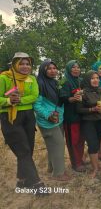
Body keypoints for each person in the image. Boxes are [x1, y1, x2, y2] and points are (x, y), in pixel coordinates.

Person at [0, 52, 47, 194]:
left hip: (28, 117)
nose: (25, 66)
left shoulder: (32, 78)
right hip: (10, 117)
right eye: (21, 63)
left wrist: (20, 100)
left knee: (27, 151)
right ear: (15, 64)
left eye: (28, 64)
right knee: (23, 151)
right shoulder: (4, 78)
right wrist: (8, 101)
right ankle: (36, 184)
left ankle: (21, 181)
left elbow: (34, 96)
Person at [34, 60, 70, 181]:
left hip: (58, 118)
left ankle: (51, 167)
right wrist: (47, 115)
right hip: (47, 121)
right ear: (43, 70)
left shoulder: (55, 82)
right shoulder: (39, 83)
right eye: (49, 68)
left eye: (54, 68)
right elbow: (37, 105)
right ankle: (58, 173)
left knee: (52, 145)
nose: (53, 70)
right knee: (59, 144)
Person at [76, 70, 101, 178]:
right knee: (93, 144)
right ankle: (95, 168)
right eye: (92, 78)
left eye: (97, 78)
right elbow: (79, 109)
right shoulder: (83, 92)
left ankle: (90, 156)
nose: (95, 80)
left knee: (97, 143)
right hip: (88, 122)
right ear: (87, 80)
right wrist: (93, 109)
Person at [59, 60, 85, 172]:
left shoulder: (81, 80)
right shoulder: (65, 81)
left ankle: (80, 159)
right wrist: (72, 98)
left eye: (78, 67)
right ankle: (76, 163)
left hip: (81, 115)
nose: (76, 69)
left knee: (81, 139)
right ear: (69, 69)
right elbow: (62, 97)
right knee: (73, 140)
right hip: (70, 116)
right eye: (73, 67)